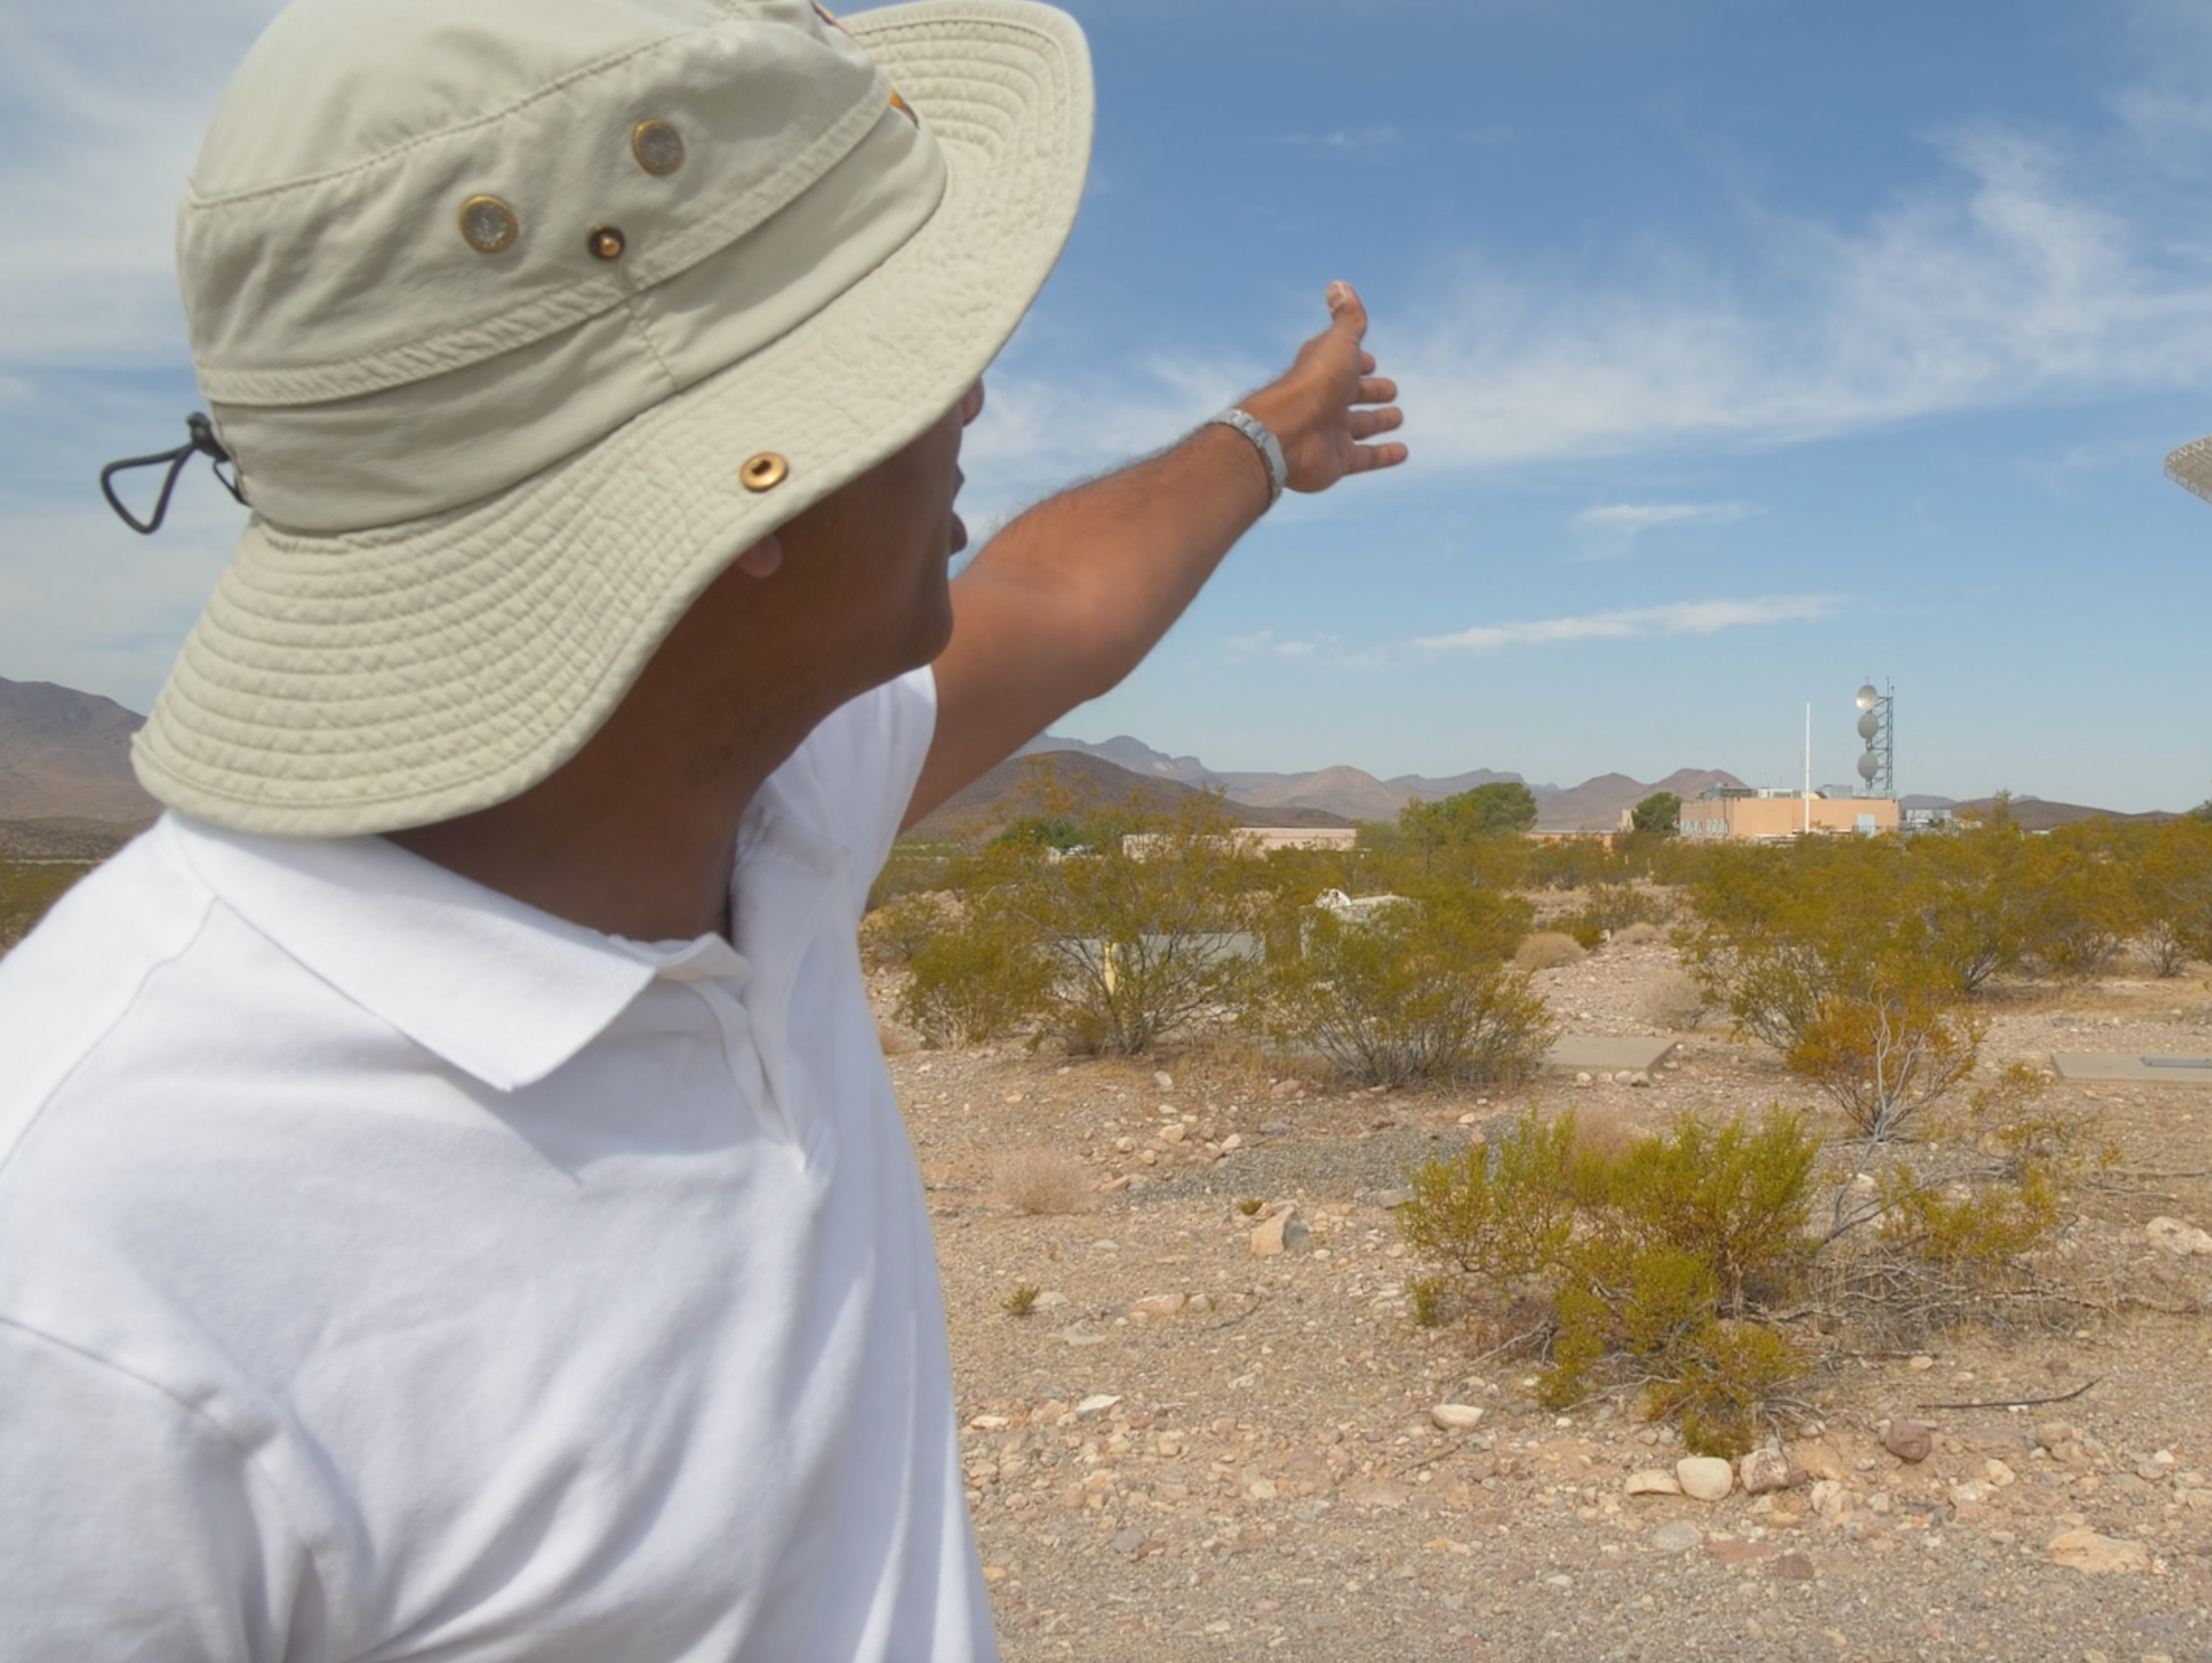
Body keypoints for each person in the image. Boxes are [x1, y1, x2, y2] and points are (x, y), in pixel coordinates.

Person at [0, 1, 1402, 1656]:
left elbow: (1047, 595)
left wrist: (1263, 438)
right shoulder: (83, 1288)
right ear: (751, 490)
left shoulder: (762, 790)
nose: (971, 395)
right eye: (904, 337)